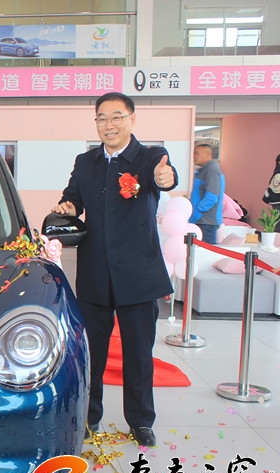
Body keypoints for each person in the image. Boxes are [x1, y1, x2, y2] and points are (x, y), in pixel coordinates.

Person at [52, 92, 178, 447]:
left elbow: (165, 177)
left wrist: (165, 177)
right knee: (91, 352)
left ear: (132, 119)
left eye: (117, 117)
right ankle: (89, 416)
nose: (109, 125)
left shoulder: (150, 157)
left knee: (139, 353)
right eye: (102, 118)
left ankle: (141, 421)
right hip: (95, 272)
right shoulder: (86, 161)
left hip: (139, 274)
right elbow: (73, 197)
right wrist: (68, 206)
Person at [189, 143, 225, 244]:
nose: (194, 156)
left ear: (207, 154)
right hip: (201, 221)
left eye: (197, 153)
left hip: (206, 222)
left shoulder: (211, 170)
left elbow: (212, 196)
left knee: (205, 251)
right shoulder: (204, 170)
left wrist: (198, 211)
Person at [262, 154, 280, 231]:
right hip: (277, 200)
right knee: (277, 221)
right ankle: (276, 237)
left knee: (277, 220)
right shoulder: (278, 173)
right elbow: (275, 185)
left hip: (276, 200)